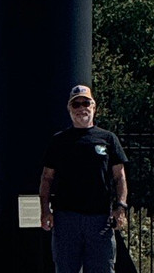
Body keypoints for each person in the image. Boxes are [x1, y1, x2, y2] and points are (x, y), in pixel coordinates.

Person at [40, 84, 129, 273]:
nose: (81, 108)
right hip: (66, 219)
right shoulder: (59, 141)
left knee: (102, 268)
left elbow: (120, 177)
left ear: (94, 107)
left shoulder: (108, 138)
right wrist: (45, 211)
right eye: (76, 104)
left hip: (100, 219)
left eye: (85, 103)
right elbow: (47, 178)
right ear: (69, 109)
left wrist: (120, 207)